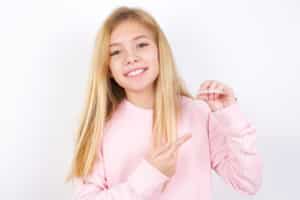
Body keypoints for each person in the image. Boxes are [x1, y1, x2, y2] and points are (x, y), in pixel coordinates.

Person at [65, 6, 263, 200]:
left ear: (160, 51)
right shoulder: (102, 127)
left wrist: (230, 117)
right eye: (116, 52)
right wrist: (149, 176)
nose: (131, 58)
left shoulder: (197, 113)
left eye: (141, 45)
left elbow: (248, 183)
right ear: (107, 68)